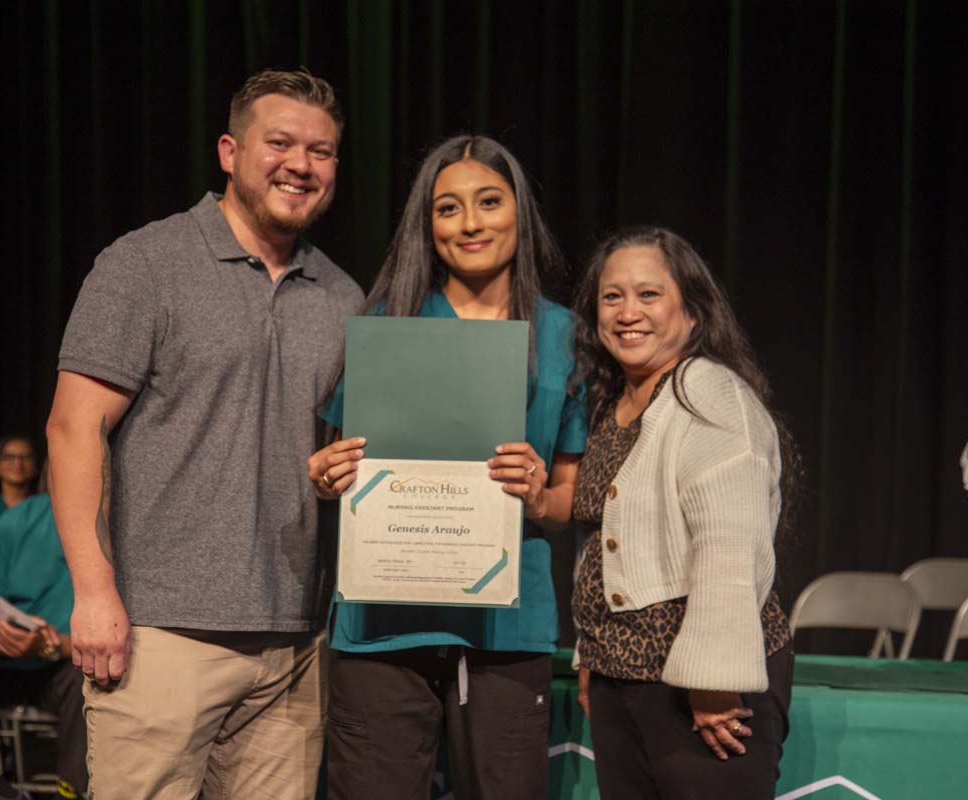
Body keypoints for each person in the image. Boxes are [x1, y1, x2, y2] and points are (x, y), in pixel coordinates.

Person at [47, 69, 362, 798]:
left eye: (320, 151)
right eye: (279, 143)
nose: (300, 164)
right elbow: (73, 429)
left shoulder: (344, 297)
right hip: (158, 636)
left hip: (294, 647)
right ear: (229, 152)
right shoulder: (146, 264)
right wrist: (94, 593)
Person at [307, 134, 587, 799]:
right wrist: (327, 475)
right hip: (382, 627)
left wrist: (539, 495)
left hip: (505, 630)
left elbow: (569, 498)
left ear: (519, 212)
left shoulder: (563, 335)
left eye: (488, 202)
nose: (469, 224)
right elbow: (338, 462)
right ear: (426, 226)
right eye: (448, 208)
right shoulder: (387, 323)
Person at [568, 227, 798, 799]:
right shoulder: (615, 403)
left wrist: (714, 683)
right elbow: (606, 543)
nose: (627, 312)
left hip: (701, 688)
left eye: (649, 294)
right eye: (612, 297)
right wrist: (592, 653)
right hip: (621, 675)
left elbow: (730, 547)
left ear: (693, 313)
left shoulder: (709, 395)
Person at [0, 471, 87, 798]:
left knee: (91, 677)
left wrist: (51, 645)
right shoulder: (24, 517)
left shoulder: (120, 525)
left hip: (62, 666)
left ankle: (70, 791)